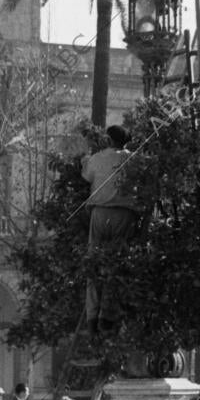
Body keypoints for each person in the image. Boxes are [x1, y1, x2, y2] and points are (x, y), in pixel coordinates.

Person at [81, 124, 139, 336]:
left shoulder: (96, 158)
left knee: (93, 264)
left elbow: (86, 175)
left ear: (107, 139)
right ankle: (107, 315)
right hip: (123, 214)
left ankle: (92, 316)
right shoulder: (132, 158)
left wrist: (87, 158)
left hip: (99, 213)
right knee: (116, 264)